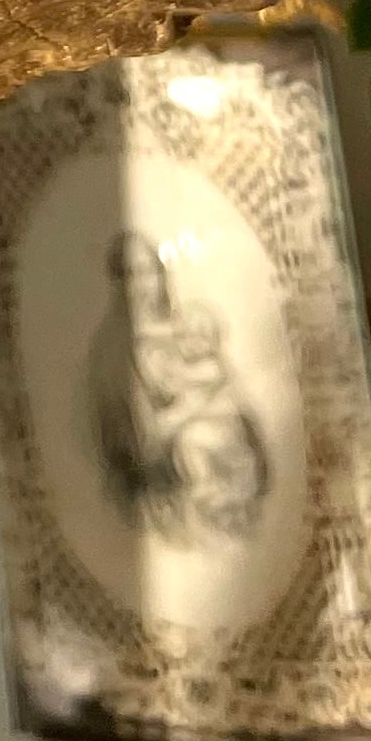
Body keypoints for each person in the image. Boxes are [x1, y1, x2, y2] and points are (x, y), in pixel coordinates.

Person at [85, 228, 272, 547]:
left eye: (152, 271)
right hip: (167, 483)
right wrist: (196, 409)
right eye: (133, 274)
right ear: (117, 284)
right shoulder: (112, 352)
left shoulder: (185, 327)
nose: (146, 284)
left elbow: (232, 395)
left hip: (226, 458)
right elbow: (142, 441)